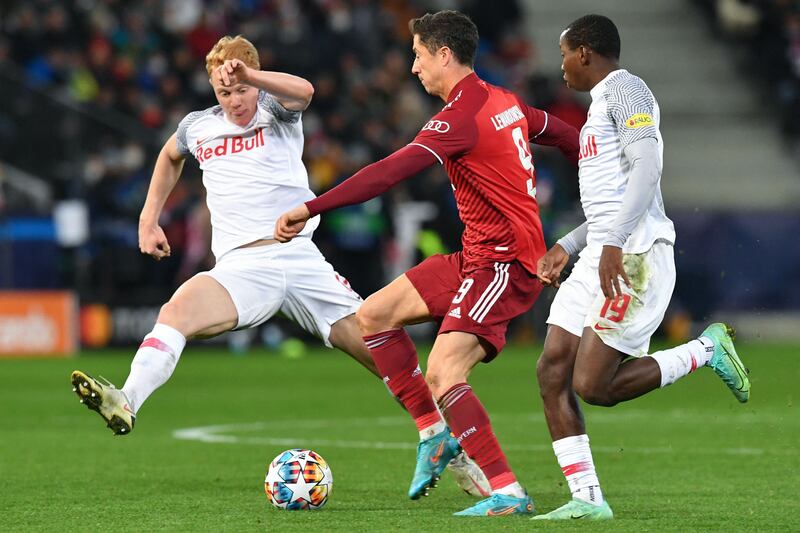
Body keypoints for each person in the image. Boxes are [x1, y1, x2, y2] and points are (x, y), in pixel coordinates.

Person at [69, 34, 488, 499]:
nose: (234, 101)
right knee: (175, 313)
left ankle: (456, 448)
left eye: (240, 89)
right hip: (241, 268)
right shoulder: (198, 127)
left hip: (301, 259)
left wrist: (251, 78)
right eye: (224, 92)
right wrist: (149, 220)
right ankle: (126, 400)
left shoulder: (276, 108)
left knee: (380, 352)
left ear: (254, 78)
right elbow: (169, 157)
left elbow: (306, 92)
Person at [275, 11, 579, 516]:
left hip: (504, 267)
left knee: (443, 372)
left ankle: (508, 491)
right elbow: (565, 134)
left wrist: (311, 207)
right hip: (475, 258)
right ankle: (435, 436)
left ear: (443, 54)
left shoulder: (459, 117)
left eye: (418, 55)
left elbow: (388, 172)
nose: (413, 68)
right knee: (371, 316)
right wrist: (600, 167)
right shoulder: (504, 101)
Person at [532, 15, 751, 521]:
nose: (560, 63)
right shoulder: (597, 110)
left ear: (585, 52)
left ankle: (704, 350)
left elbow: (648, 167)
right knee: (551, 368)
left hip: (635, 257)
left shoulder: (627, 89)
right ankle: (587, 501)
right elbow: (610, 204)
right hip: (603, 252)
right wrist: (569, 243)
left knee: (593, 386)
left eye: (564, 52)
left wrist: (609, 242)